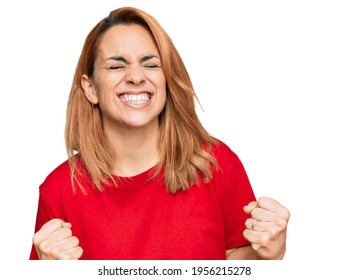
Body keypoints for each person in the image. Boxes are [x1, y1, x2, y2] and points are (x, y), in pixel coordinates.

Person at [30, 6, 290, 260]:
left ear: (166, 78)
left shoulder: (217, 163)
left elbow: (239, 263)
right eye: (116, 66)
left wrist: (268, 257)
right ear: (90, 89)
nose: (135, 76)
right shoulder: (59, 189)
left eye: (151, 65)